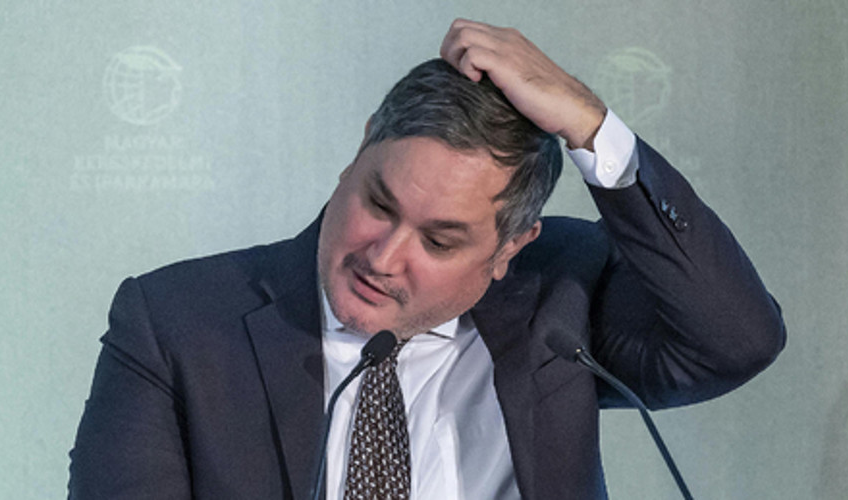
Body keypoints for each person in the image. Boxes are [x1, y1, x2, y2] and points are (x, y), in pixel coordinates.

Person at [69, 19, 785, 500]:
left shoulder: (558, 292)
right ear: (360, 151)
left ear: (510, 248)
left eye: (440, 242)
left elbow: (736, 340)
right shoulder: (178, 324)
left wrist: (593, 128)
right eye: (379, 204)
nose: (383, 257)